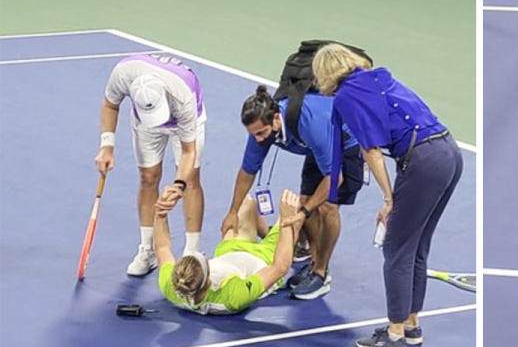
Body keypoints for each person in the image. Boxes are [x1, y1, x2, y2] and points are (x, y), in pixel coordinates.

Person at [312, 43, 463, 347]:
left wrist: (389, 199)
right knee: (417, 245)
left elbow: (371, 151)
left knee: (396, 247)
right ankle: (411, 325)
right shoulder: (377, 78)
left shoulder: (347, 95)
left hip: (424, 161)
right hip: (449, 152)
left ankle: (394, 336)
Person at [223, 85, 365, 299]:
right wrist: (232, 212)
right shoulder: (261, 130)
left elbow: (335, 178)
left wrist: (304, 212)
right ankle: (313, 258)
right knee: (306, 198)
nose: (259, 139)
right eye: (254, 135)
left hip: (348, 143)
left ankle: (321, 273)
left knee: (327, 207)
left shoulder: (310, 124)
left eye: (261, 133)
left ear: (276, 120)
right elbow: (247, 172)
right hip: (318, 147)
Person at [95, 53, 206, 276]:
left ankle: (191, 252)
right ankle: (147, 250)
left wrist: (178, 186)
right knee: (147, 178)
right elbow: (110, 104)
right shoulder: (123, 74)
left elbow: (188, 151)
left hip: (185, 124)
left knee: (191, 178)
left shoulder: (182, 93)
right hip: (144, 125)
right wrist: (107, 145)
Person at [155, 188, 303, 315]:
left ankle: (269, 234)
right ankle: (292, 243)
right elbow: (280, 267)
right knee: (298, 207)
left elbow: (162, 247)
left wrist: (160, 212)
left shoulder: (173, 287)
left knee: (246, 202)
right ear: (208, 280)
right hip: (266, 260)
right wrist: (286, 219)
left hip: (230, 251)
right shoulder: (232, 297)